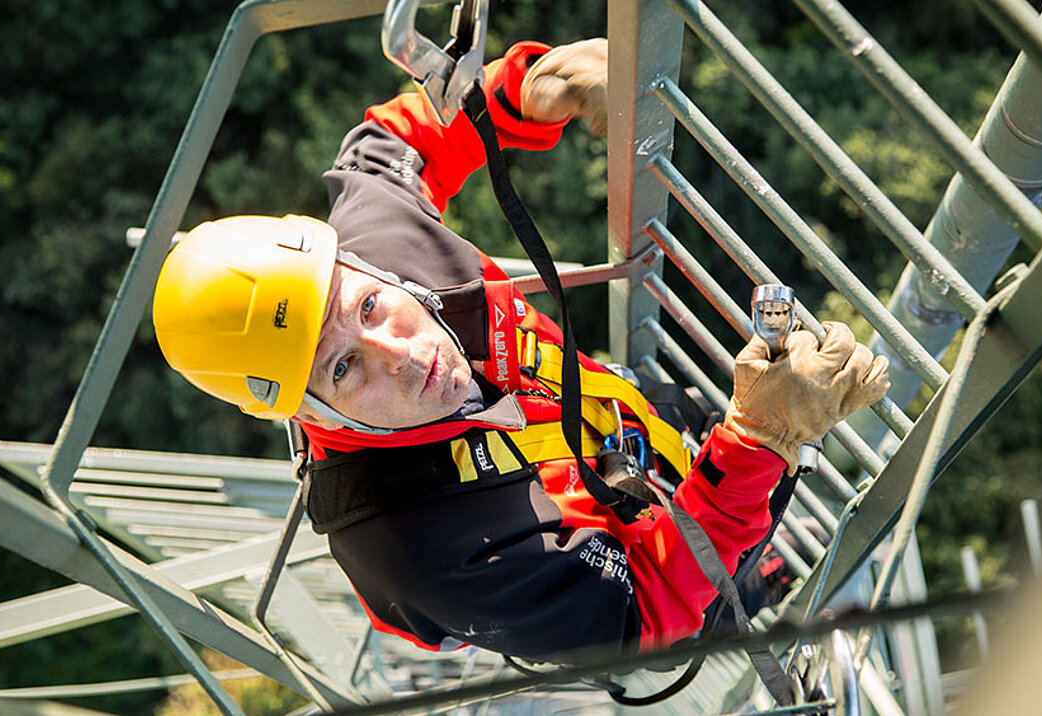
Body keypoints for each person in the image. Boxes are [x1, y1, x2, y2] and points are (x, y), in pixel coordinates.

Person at [151, 39, 889, 662]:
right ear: (309, 408)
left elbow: (391, 143)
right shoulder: (431, 553)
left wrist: (522, 94)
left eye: (369, 306)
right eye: (343, 369)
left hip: (635, 424)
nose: (401, 355)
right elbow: (653, 609)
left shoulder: (378, 249)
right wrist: (762, 440)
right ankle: (787, 578)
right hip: (671, 562)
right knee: (756, 587)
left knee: (682, 425)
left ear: (356, 267)